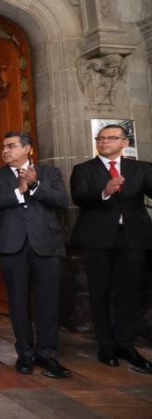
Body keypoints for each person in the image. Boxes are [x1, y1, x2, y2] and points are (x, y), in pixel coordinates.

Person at [0, 131, 71, 378]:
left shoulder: (49, 173)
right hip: (11, 246)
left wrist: (35, 186)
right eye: (3, 147)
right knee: (18, 301)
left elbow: (61, 201)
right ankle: (25, 353)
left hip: (46, 244)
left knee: (48, 301)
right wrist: (19, 192)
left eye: (11, 146)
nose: (5, 151)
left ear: (27, 149)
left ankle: (47, 354)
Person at [71, 124, 152, 373]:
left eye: (111, 138)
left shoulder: (141, 168)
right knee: (100, 292)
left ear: (125, 143)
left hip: (134, 238)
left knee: (130, 293)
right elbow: (79, 197)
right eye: (101, 138)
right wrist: (104, 192)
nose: (104, 141)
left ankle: (126, 344)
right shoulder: (84, 169)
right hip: (97, 239)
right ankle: (106, 345)